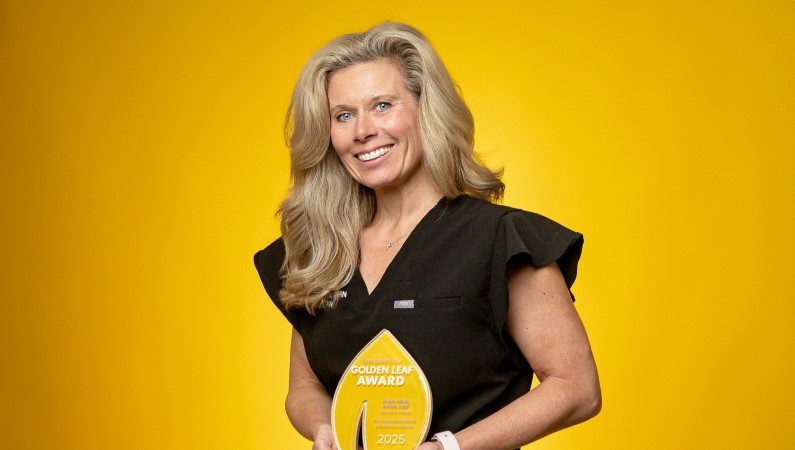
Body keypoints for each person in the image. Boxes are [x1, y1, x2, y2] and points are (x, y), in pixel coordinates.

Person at [254, 22, 601, 450]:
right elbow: (303, 388)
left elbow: (576, 388)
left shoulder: (499, 240)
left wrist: (449, 449)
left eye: (382, 105)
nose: (362, 130)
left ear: (425, 109)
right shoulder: (321, 250)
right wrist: (327, 428)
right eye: (343, 115)